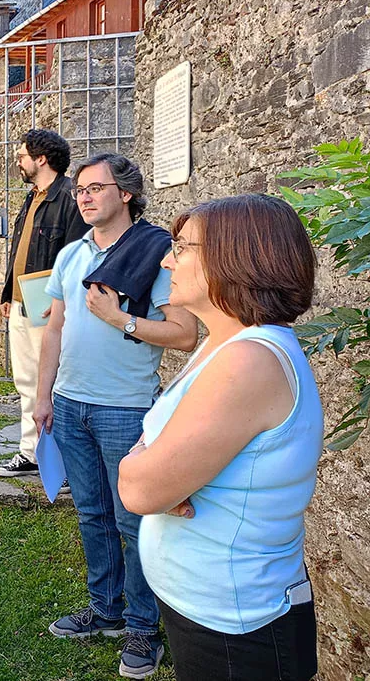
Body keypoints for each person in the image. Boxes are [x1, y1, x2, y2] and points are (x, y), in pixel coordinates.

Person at [118, 194, 321, 681]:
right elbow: (152, 467)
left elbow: (139, 488)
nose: (168, 259)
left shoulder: (249, 361)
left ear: (237, 256)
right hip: (211, 609)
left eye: (182, 247)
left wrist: (152, 468)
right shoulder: (224, 342)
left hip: (239, 628)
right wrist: (158, 466)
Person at [31, 153, 198, 680]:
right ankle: (106, 610)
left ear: (125, 194)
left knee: (133, 520)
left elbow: (186, 334)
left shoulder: (154, 253)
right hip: (71, 404)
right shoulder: (70, 255)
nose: (83, 196)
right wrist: (43, 396)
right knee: (92, 514)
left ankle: (144, 629)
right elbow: (54, 329)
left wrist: (122, 319)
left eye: (95, 187)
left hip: (126, 409)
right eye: (80, 188)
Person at [0, 130, 89, 478]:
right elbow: (19, 251)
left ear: (41, 159)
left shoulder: (68, 198)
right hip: (22, 303)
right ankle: (30, 452)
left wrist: (60, 300)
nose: (18, 161)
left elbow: (77, 255)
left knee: (54, 381)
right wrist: (7, 294)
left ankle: (62, 462)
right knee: (27, 381)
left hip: (48, 307)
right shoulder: (32, 196)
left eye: (22, 155)